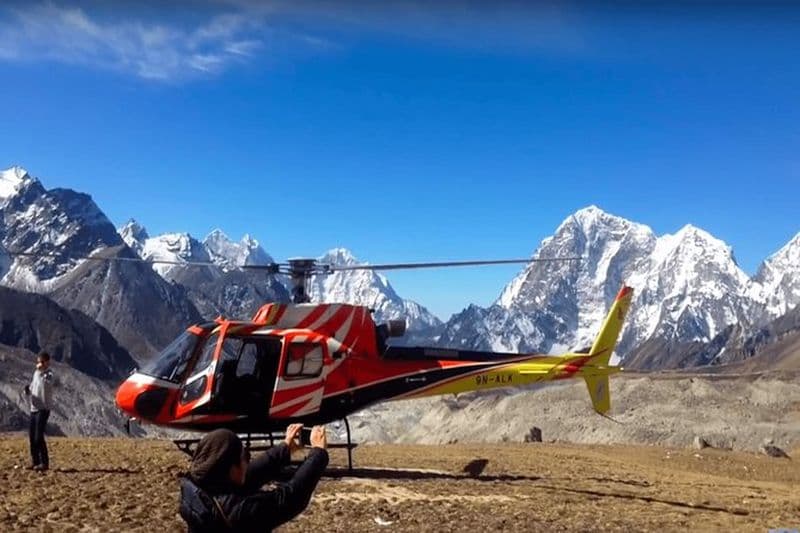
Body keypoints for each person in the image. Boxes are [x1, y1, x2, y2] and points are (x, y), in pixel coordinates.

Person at [179, 423, 329, 532]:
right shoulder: (240, 512)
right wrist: (318, 453)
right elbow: (291, 497)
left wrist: (285, 448)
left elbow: (250, 475)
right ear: (232, 468)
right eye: (245, 456)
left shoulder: (198, 486)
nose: (248, 461)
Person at [23, 351, 55, 472]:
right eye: (38, 362)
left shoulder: (49, 374)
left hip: (43, 409)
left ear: (47, 362)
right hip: (34, 408)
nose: (39, 364)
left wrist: (42, 372)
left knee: (38, 436)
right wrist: (27, 390)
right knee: (32, 436)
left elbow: (47, 384)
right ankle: (35, 461)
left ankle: (44, 462)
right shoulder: (36, 374)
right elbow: (33, 386)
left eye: (42, 362)